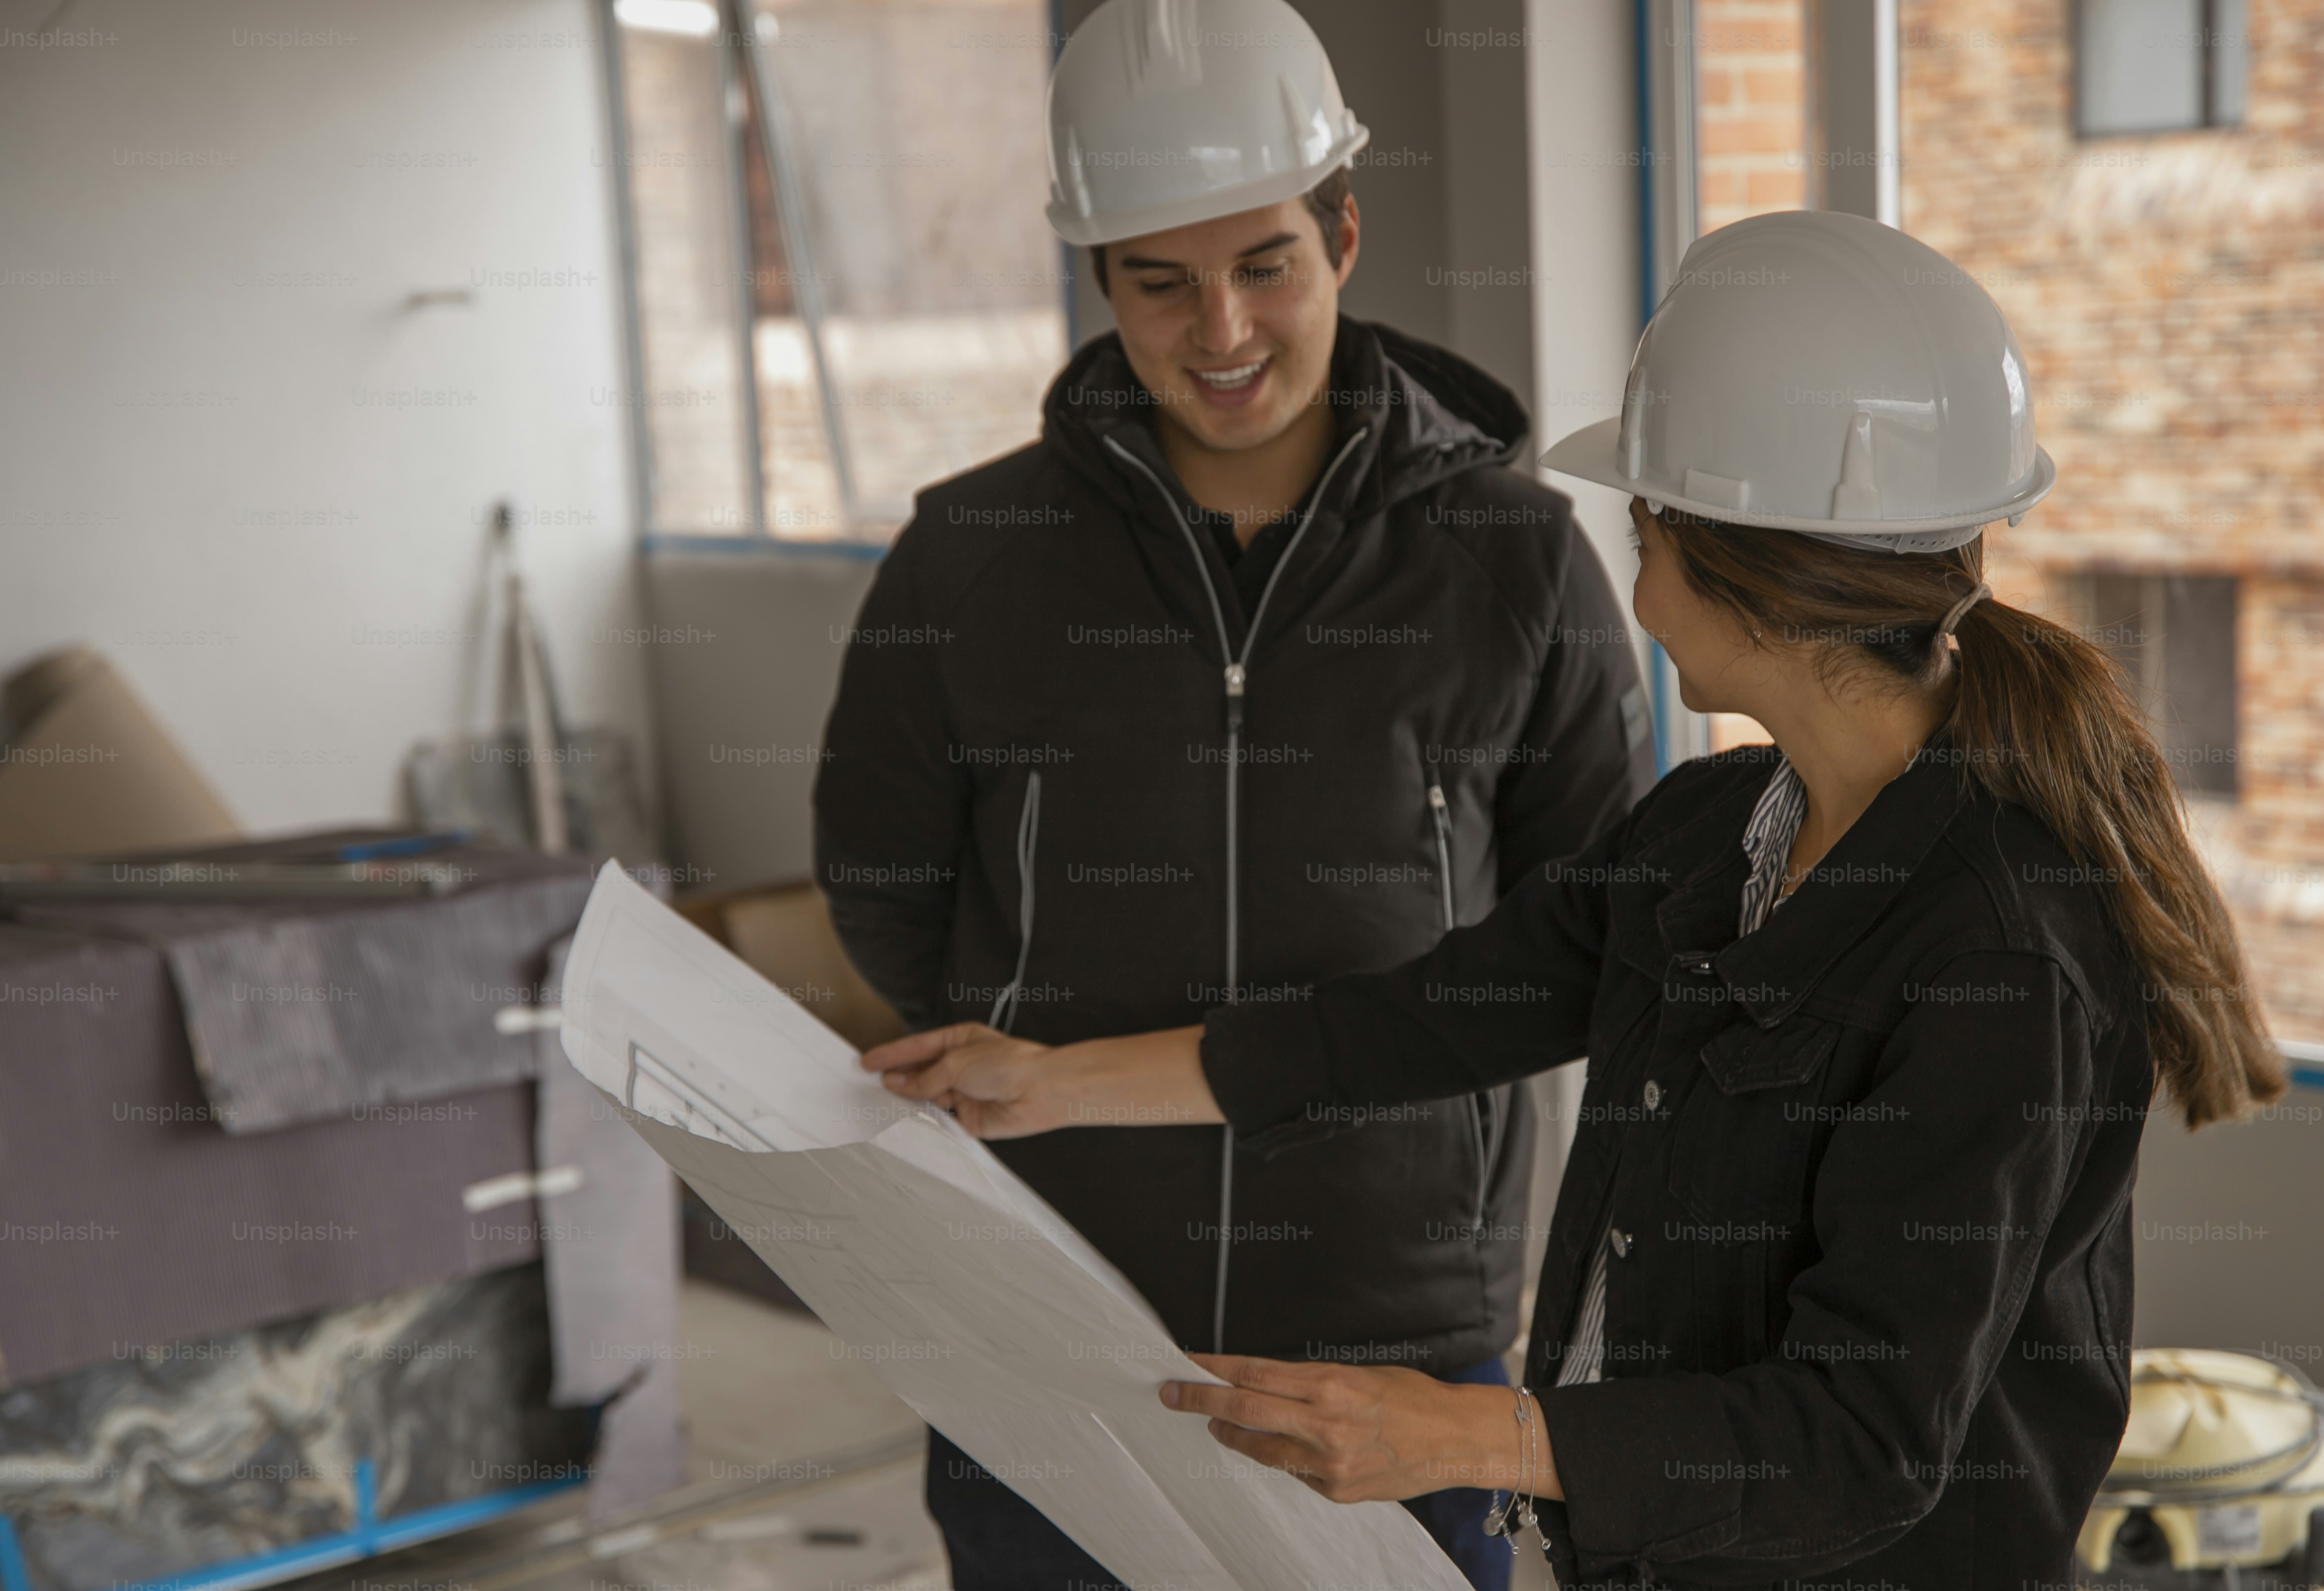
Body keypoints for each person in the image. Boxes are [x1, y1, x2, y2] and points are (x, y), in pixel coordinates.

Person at [857, 209, 2287, 1590]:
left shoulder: (1999, 953)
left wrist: (1453, 1429)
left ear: (1738, 567)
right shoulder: (1708, 834)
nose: (1638, 578)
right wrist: (1047, 1080)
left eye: (1649, 530)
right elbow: (1418, 1021)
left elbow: (1862, 1440)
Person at [811, 1, 1650, 1585]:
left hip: (1397, 1318)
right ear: (1099, 277)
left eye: (1264, 262)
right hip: (1046, 1298)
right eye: (1160, 280)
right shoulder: (969, 557)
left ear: (1342, 230)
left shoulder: (1512, 557)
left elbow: (1591, 929)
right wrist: (1045, 1048)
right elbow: (883, 885)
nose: (1221, 332)